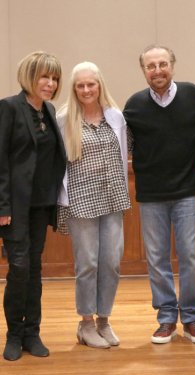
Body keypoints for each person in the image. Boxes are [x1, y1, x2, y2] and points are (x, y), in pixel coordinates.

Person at [123, 45, 195, 345]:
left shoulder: (193, 95)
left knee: (190, 257)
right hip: (151, 196)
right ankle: (165, 319)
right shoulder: (134, 105)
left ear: (172, 66)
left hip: (188, 191)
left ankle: (191, 319)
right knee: (157, 259)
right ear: (143, 71)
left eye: (162, 64)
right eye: (151, 66)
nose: (157, 70)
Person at [57, 62, 130, 349]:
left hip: (112, 198)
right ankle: (86, 323)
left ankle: (103, 320)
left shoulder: (115, 117)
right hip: (81, 202)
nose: (86, 90)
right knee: (87, 263)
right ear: (74, 90)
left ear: (100, 85)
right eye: (80, 85)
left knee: (111, 263)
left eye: (91, 84)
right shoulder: (64, 120)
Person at [0, 51, 66, 361]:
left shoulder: (50, 110)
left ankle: (32, 333)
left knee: (35, 268)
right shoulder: (10, 108)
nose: (50, 83)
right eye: (44, 76)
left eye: (54, 78)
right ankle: (14, 334)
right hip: (15, 206)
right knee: (20, 268)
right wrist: (2, 205)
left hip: (41, 205)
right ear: (29, 76)